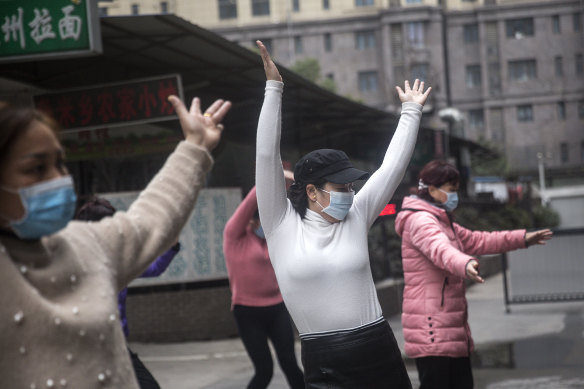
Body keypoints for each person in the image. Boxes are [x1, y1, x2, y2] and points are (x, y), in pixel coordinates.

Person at [0, 95, 231, 388]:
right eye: (36, 168)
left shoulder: (84, 245)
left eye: (60, 163)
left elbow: (149, 220)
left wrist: (194, 146)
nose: (58, 178)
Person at [254, 40, 431, 388]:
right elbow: (264, 157)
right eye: (341, 188)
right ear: (311, 191)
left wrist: (410, 112)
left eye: (351, 187)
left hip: (378, 349)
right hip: (325, 361)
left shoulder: (357, 216)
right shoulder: (280, 224)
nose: (351, 195)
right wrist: (274, 88)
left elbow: (391, 168)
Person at [394, 159, 553, 389]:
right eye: (451, 190)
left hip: (449, 325)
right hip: (432, 328)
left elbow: (479, 240)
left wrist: (522, 238)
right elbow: (441, 250)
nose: (455, 196)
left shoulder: (441, 220)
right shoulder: (420, 220)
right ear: (431, 190)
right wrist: (465, 262)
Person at [75, 196, 182, 389]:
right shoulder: (74, 265)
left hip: (118, 349)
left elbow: (154, 268)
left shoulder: (119, 262)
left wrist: (172, 244)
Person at [223, 173, 304, 389]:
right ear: (252, 220)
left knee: (290, 364)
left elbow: (294, 213)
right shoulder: (234, 237)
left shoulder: (272, 239)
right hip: (248, 312)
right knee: (264, 371)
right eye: (262, 221)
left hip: (277, 309)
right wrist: (276, 174)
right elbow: (251, 200)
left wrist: (298, 182)